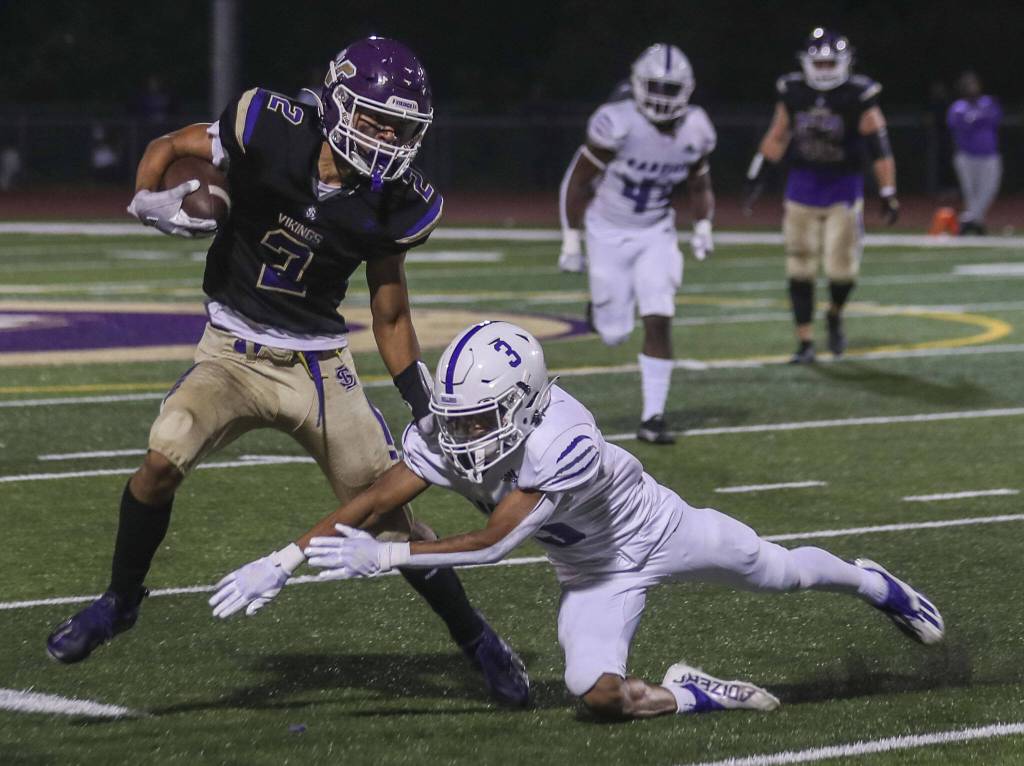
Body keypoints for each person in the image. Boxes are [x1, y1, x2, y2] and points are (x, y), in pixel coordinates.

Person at [45, 37, 528, 707]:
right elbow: (170, 147)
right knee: (162, 457)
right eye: (376, 119)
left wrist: (422, 400)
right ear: (336, 102)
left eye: (403, 128)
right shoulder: (269, 124)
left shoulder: (396, 200)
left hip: (318, 364)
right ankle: (121, 600)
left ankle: (478, 640)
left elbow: (389, 314)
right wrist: (148, 197)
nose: (390, 139)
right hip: (230, 351)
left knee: (391, 520)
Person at [211, 320, 945, 721]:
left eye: (484, 418)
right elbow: (373, 497)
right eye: (460, 418)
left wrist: (394, 558)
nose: (465, 435)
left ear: (526, 402)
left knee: (778, 572)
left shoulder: (565, 437)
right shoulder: (452, 430)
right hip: (590, 572)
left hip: (655, 531)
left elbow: (494, 543)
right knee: (594, 693)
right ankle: (693, 693)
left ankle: (872, 583)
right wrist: (284, 557)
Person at [558, 43, 716, 445]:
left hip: (656, 231)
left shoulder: (696, 128)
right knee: (613, 333)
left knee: (659, 313)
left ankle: (654, 416)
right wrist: (571, 239)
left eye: (671, 89)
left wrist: (703, 226)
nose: (663, 98)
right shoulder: (617, 122)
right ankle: (602, 311)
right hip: (607, 229)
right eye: (656, 87)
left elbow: (699, 182)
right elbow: (577, 182)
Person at [745, 28, 899, 364]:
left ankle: (834, 313)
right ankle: (805, 343)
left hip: (843, 189)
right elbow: (778, 134)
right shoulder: (793, 91)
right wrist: (758, 175)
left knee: (841, 271)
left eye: (832, 62)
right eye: (820, 62)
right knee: (799, 266)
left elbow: (879, 147)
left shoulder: (858, 94)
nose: (826, 69)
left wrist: (888, 191)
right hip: (802, 186)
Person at [947, 71, 1002, 235]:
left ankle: (968, 219)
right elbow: (959, 124)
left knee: (989, 189)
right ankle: (977, 223)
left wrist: (975, 119)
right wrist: (978, 119)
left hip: (989, 155)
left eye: (974, 84)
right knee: (971, 192)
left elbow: (994, 117)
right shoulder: (958, 107)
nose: (972, 87)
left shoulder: (989, 102)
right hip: (966, 155)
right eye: (968, 85)